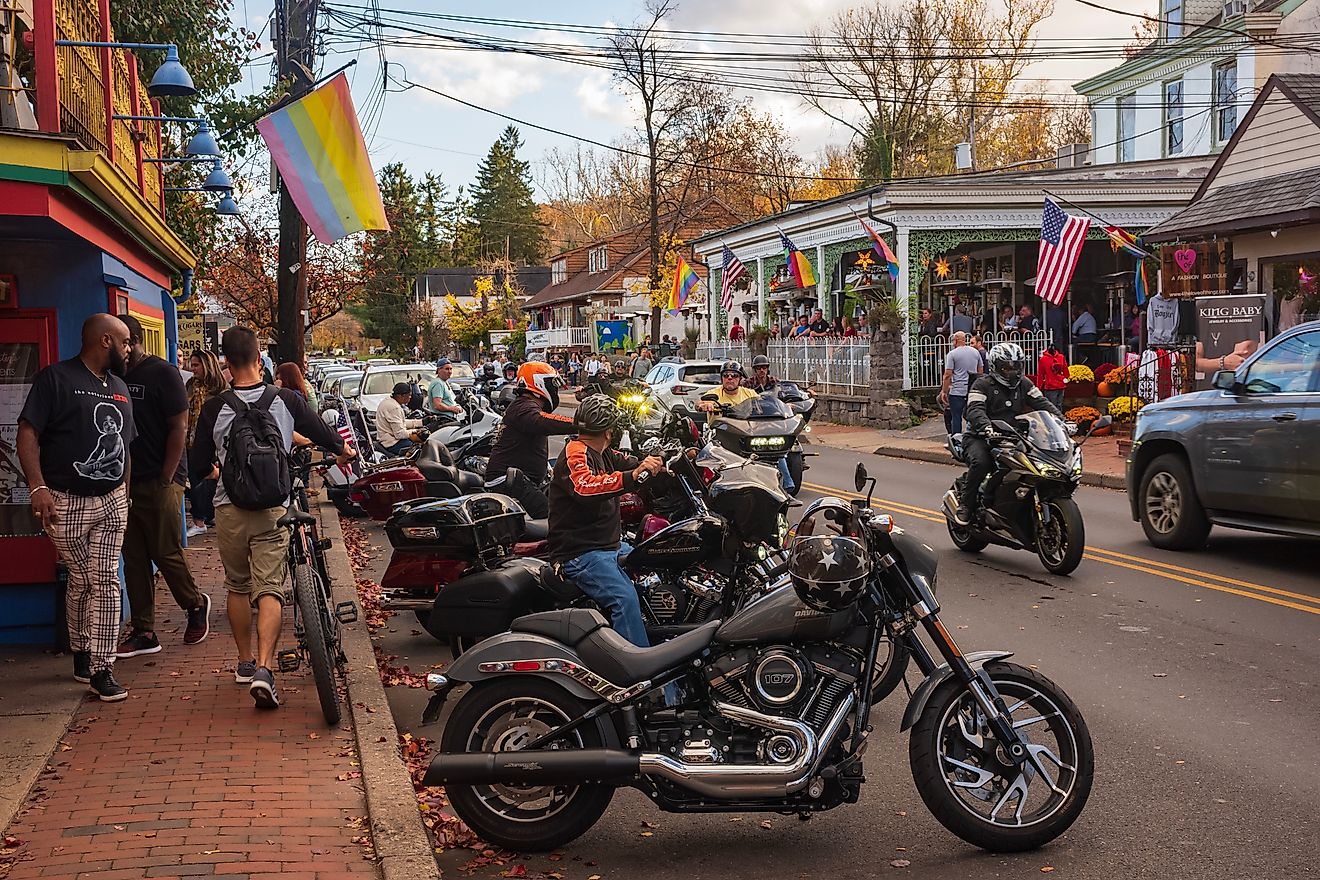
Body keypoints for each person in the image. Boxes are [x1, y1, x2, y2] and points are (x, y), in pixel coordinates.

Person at [190, 325, 354, 708]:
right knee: (270, 589)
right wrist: (343, 451)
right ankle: (266, 668)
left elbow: (197, 463)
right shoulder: (284, 399)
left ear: (226, 362)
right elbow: (322, 432)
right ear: (259, 356)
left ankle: (245, 662)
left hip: (229, 508)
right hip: (273, 509)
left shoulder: (215, 407)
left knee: (237, 586)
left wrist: (217, 470)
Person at [17, 314, 135, 701]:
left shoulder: (120, 386)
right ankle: (82, 648)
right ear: (104, 341)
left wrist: (126, 496)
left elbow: (127, 449)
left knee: (105, 578)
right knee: (83, 580)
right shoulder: (55, 379)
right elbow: (28, 433)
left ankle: (102, 667)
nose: (129, 347)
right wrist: (38, 488)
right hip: (65, 500)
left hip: (113, 500)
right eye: (124, 341)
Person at [116, 316, 211, 661]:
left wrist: (167, 477)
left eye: (123, 344)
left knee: (165, 549)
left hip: (162, 477)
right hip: (125, 480)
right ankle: (143, 630)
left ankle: (195, 604)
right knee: (134, 556)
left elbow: (178, 427)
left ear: (134, 341)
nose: (119, 353)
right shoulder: (113, 377)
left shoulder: (162, 373)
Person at [547, 394, 663, 648]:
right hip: (582, 552)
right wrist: (632, 476)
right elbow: (584, 487)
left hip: (608, 545)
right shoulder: (575, 453)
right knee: (625, 599)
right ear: (610, 431)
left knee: (658, 562)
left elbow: (631, 462)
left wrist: (659, 463)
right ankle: (638, 670)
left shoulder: (603, 451)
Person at [954, 342, 1062, 526]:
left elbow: (1042, 403)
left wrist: (1062, 420)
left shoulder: (1024, 384)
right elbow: (975, 409)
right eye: (1006, 367)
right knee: (982, 463)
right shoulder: (982, 384)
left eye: (1016, 367)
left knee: (1034, 464)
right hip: (981, 437)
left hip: (1014, 437)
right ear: (995, 366)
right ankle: (966, 504)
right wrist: (986, 427)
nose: (1012, 372)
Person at [484, 362, 575, 518]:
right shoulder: (524, 407)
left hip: (521, 479)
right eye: (551, 384)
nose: (555, 390)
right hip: (507, 480)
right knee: (552, 517)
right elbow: (544, 422)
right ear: (538, 383)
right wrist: (581, 424)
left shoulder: (525, 405)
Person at [700, 361, 795, 493]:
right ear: (722, 378)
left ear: (739, 379)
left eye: (734, 375)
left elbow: (764, 404)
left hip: (747, 434)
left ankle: (786, 487)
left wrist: (783, 407)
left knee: (775, 451)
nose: (730, 378)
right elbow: (701, 402)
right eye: (726, 375)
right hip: (722, 438)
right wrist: (705, 405)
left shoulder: (749, 393)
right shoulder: (714, 393)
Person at [186, 349, 226, 537]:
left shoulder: (219, 388)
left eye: (196, 365)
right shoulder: (190, 385)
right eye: (191, 364)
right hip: (192, 439)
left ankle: (208, 516)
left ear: (207, 365)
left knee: (212, 482)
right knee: (196, 480)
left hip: (214, 438)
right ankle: (199, 519)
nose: (192, 369)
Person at [939, 331, 983, 436]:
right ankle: (972, 438)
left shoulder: (952, 354)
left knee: (956, 417)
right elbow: (980, 370)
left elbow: (947, 375)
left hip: (957, 391)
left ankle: (956, 439)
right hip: (972, 389)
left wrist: (944, 391)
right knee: (971, 416)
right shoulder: (975, 352)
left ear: (955, 341)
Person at [376, 382, 423, 455]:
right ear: (402, 396)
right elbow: (400, 434)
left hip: (389, 439)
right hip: (392, 443)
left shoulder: (389, 401)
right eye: (409, 395)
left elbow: (401, 422)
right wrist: (418, 431)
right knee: (422, 451)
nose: (410, 397)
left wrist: (421, 422)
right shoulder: (394, 408)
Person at [1037, 341, 1069, 411]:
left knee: (1059, 404)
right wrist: (1039, 387)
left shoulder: (1061, 357)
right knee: (1052, 406)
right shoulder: (1043, 359)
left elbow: (1065, 370)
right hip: (1050, 386)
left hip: (1060, 385)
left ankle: (1059, 419)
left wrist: (1065, 379)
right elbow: (1040, 374)